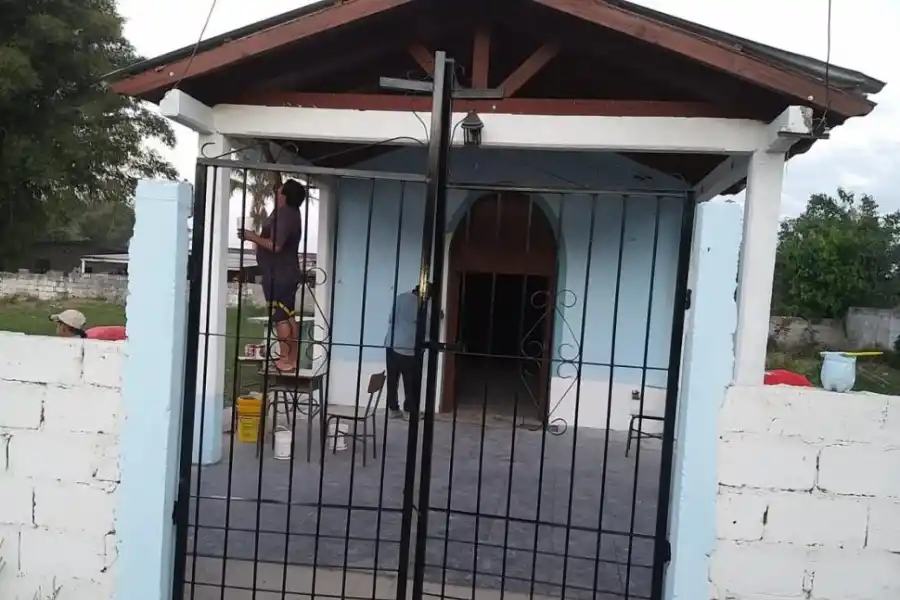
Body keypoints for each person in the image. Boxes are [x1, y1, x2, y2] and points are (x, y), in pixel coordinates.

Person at [238, 178, 306, 372]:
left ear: (284, 196)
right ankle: (291, 359)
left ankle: (286, 360)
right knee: (289, 314)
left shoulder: (285, 215)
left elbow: (276, 245)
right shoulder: (290, 213)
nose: (276, 192)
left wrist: (252, 237)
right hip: (283, 272)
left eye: (280, 190)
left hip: (279, 274)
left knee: (280, 317)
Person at [384, 286, 423, 419]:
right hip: (408, 347)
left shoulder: (400, 297)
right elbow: (429, 323)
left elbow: (390, 318)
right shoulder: (422, 303)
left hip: (391, 343)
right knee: (410, 381)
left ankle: (393, 409)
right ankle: (409, 411)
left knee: (392, 379)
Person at [50, 309, 127, 341]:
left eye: (58, 324)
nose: (57, 327)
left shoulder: (92, 341)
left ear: (64, 327)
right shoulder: (86, 338)